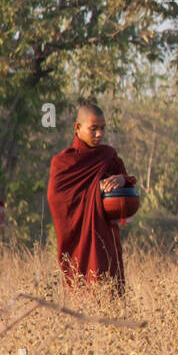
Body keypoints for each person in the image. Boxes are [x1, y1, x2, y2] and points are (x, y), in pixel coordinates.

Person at [47, 103, 132, 291]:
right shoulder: (63, 162)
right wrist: (97, 188)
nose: (99, 134)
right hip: (78, 240)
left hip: (106, 238)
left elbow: (129, 191)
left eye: (102, 128)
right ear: (77, 128)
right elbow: (57, 198)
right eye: (93, 129)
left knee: (110, 290)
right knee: (81, 289)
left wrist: (121, 178)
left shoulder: (108, 156)